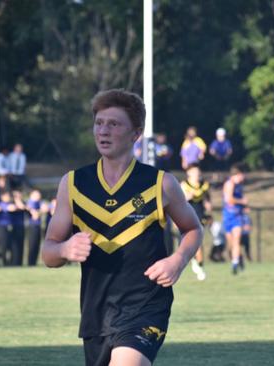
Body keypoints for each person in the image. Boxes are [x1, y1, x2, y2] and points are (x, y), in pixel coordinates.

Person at [41, 89, 202, 366]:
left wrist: (177, 260)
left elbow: (193, 229)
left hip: (146, 304)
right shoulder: (73, 184)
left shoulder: (160, 183)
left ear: (135, 134)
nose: (103, 131)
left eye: (114, 124)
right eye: (99, 123)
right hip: (96, 311)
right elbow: (48, 252)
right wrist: (66, 249)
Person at [180, 164, 211, 281]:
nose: (197, 175)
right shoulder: (184, 185)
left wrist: (208, 205)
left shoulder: (204, 185)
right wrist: (188, 196)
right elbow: (179, 200)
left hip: (200, 214)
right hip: (188, 215)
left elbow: (207, 198)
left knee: (199, 241)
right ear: (189, 173)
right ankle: (198, 264)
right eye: (194, 172)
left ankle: (197, 262)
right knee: (195, 241)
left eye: (198, 172)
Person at [223, 163, 247, 275]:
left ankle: (235, 264)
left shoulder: (239, 186)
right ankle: (239, 258)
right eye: (242, 175)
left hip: (237, 217)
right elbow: (229, 200)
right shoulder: (229, 184)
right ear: (236, 175)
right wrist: (242, 202)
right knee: (231, 243)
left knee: (237, 239)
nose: (243, 178)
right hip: (228, 217)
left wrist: (244, 207)